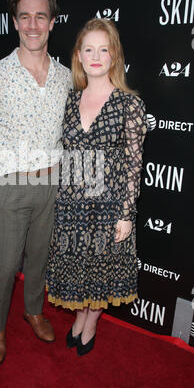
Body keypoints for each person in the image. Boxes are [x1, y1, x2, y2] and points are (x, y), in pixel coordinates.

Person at [0, 0, 72, 365]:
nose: (33, 24)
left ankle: (33, 311)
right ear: (15, 22)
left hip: (51, 182)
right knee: (7, 264)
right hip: (10, 185)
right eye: (25, 16)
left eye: (40, 16)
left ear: (51, 23)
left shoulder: (65, 77)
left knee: (39, 259)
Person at [46, 18, 147, 356]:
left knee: (103, 271)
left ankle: (91, 323)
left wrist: (126, 215)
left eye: (104, 49)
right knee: (77, 268)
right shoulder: (68, 101)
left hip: (109, 206)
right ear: (78, 55)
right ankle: (79, 318)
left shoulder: (129, 104)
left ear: (114, 56)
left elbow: (134, 165)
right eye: (88, 48)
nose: (96, 55)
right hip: (72, 203)